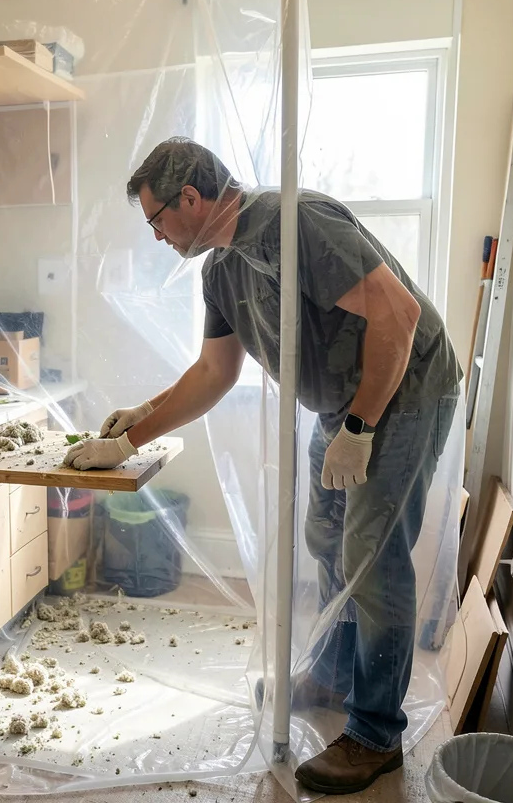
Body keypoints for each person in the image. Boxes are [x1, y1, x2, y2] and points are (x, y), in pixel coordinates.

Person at [63, 138, 461, 794]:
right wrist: (137, 425)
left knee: (373, 555)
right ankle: (334, 673)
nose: (156, 235)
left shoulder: (298, 224)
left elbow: (400, 313)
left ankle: (375, 735)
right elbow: (214, 372)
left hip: (405, 389)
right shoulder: (221, 270)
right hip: (347, 401)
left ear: (191, 198)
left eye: (156, 219)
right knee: (325, 537)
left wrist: (360, 427)